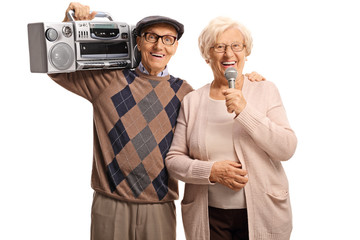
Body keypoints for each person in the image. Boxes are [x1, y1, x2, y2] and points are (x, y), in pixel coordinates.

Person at [42, 3, 266, 240]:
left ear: (175, 46)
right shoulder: (107, 80)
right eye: (151, 37)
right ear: (138, 41)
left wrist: (246, 80)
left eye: (168, 39)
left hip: (160, 204)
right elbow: (56, 69)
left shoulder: (185, 93)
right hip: (110, 202)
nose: (159, 45)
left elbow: (216, 108)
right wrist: (70, 23)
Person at [165, 16, 297, 240]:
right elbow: (174, 161)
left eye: (236, 46)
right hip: (209, 217)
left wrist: (245, 111)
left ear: (246, 51)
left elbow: (286, 148)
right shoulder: (193, 100)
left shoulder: (265, 90)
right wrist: (211, 171)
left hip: (265, 212)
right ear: (207, 54)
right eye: (219, 47)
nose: (229, 54)